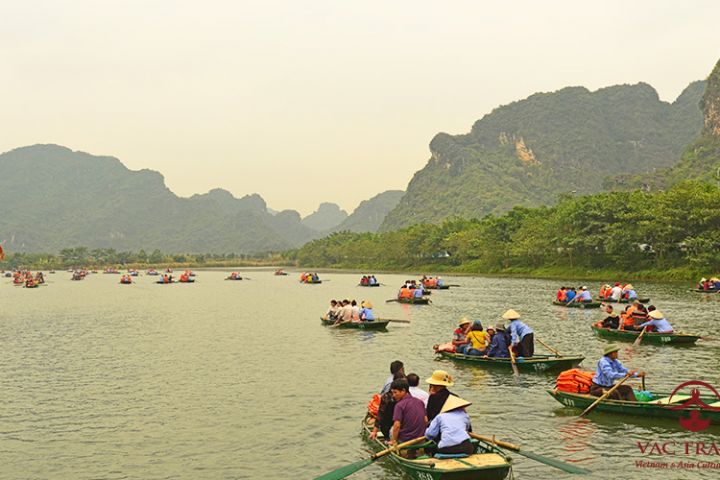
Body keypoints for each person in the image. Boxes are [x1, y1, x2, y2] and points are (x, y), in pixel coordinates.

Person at [389, 378, 427, 453]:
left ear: (403, 390)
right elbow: (425, 420)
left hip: (405, 440)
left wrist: (394, 441)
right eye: (392, 393)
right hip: (421, 439)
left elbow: (397, 426)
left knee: (391, 430)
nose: (393, 395)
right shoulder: (419, 402)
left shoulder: (399, 405)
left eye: (395, 392)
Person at [370, 371, 406, 440]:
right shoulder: (387, 397)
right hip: (389, 426)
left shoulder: (407, 396)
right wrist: (374, 431)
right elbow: (380, 414)